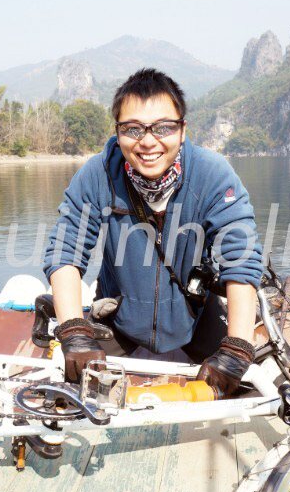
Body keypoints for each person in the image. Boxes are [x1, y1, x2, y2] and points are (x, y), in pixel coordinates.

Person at [42, 68, 263, 398]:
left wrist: (238, 348)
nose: (147, 141)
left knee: (254, 389)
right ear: (118, 133)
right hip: (121, 319)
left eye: (163, 127)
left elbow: (241, 260)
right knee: (71, 395)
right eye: (133, 129)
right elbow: (65, 250)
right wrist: (73, 331)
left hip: (194, 319)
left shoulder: (213, 174)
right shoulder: (97, 174)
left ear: (182, 130)